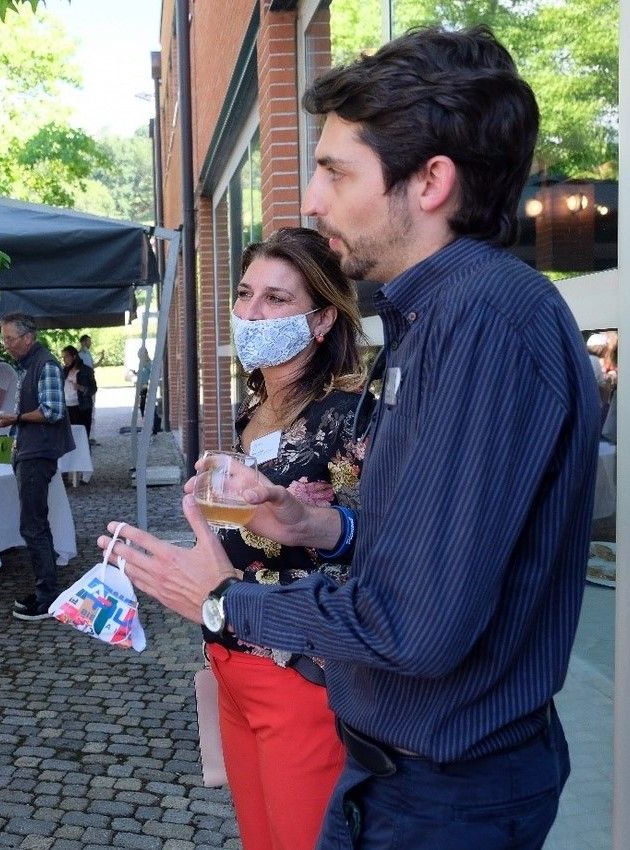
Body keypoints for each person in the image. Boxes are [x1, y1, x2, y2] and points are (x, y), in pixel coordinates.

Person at [103, 26, 599, 850]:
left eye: (337, 170)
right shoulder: (440, 314)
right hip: (413, 777)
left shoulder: (479, 320)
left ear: (432, 180)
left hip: (443, 793)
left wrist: (225, 600)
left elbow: (420, 626)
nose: (314, 200)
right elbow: (441, 553)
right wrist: (322, 527)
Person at [203, 228, 365, 850]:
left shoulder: (350, 413)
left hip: (301, 672)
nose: (249, 312)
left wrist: (308, 521)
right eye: (245, 294)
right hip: (230, 661)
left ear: (322, 319)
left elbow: (380, 545)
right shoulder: (257, 411)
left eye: (276, 299)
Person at [0, 313, 75, 621]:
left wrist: (15, 418)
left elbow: (53, 411)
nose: (6, 345)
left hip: (37, 454)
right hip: (30, 451)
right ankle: (45, 590)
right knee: (34, 524)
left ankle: (48, 596)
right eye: (4, 339)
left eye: (9, 339)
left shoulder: (46, 364)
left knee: (33, 526)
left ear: (28, 338)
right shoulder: (31, 365)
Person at [60, 345, 96, 442]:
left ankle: (84, 456)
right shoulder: (63, 371)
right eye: (62, 357)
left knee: (82, 436)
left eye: (66, 356)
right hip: (67, 408)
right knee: (69, 437)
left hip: (82, 408)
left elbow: (93, 389)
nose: (64, 360)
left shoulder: (87, 370)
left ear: (74, 356)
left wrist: (80, 387)